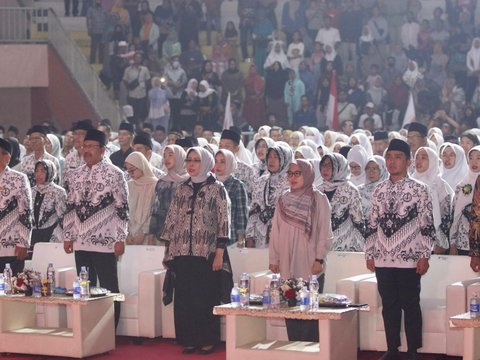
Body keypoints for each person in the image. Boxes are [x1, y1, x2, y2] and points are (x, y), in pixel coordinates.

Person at [365, 139, 435, 360]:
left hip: (409, 259)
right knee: (389, 305)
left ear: (408, 161)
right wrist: (369, 253)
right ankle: (392, 349)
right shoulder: (378, 190)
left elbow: (427, 225)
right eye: (389, 157)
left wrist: (425, 255)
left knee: (410, 304)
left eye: (397, 157)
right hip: (383, 259)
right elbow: (371, 224)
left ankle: (414, 350)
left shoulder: (419, 189)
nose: (392, 162)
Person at [161, 147, 231, 355]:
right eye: (189, 160)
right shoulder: (182, 188)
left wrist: (219, 251)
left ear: (206, 163)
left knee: (205, 297)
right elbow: (172, 218)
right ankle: (189, 339)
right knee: (185, 298)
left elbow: (224, 221)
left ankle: (208, 339)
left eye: (196, 161)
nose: (191, 165)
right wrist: (168, 251)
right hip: (181, 251)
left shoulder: (217, 188)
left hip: (206, 252)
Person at [63, 129, 127, 328]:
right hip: (81, 242)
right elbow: (70, 207)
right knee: (85, 286)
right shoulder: (75, 174)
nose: (86, 150)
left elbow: (123, 208)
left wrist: (120, 237)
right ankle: (88, 330)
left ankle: (110, 331)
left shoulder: (114, 174)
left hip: (105, 241)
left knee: (109, 287)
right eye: (84, 146)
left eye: (91, 146)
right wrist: (68, 235)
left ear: (103, 149)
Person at [269, 159, 333, 341]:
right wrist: (274, 259)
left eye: (298, 173)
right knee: (291, 309)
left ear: (308, 175)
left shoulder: (318, 199)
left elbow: (324, 231)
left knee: (309, 311)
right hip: (288, 264)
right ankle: (294, 350)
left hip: (310, 262)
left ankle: (311, 351)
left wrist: (319, 259)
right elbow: (276, 230)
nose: (293, 178)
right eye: (290, 173)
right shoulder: (283, 199)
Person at [246, 143, 292, 248]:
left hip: (283, 236)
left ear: (285, 159)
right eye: (269, 157)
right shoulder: (262, 180)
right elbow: (254, 209)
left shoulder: (291, 182)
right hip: (260, 236)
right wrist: (249, 236)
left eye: (276, 157)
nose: (271, 160)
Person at [318, 153, 365, 251]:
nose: (325, 169)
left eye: (330, 165)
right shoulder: (318, 190)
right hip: (320, 248)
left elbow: (358, 221)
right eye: (323, 165)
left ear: (339, 167)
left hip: (345, 247)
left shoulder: (350, 190)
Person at [412, 147, 454, 254]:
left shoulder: (440, 185)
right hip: (411, 241)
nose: (419, 161)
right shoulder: (410, 182)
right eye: (417, 157)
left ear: (432, 160)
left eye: (424, 158)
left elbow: (446, 217)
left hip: (435, 242)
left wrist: (441, 244)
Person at [0, 138, 32, 274]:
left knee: (12, 290)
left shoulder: (18, 179)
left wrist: (23, 242)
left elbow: (25, 211)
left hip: (12, 246)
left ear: (7, 157)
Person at [149, 144, 189, 241]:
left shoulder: (190, 181)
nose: (167, 159)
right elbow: (156, 209)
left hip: (185, 235)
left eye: (171, 155)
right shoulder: (162, 182)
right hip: (163, 233)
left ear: (180, 156)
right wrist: (152, 233)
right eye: (165, 156)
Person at [214, 149, 248, 247]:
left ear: (230, 163)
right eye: (216, 161)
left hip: (230, 238)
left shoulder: (237, 185)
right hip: (211, 240)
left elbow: (241, 216)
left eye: (222, 162)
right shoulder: (210, 183)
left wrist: (241, 242)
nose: (218, 165)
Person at [31, 160, 66, 251]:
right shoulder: (31, 191)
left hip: (50, 235)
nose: (39, 174)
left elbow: (62, 218)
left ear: (50, 172)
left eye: (43, 171)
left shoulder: (58, 192)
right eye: (37, 171)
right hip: (32, 235)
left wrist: (57, 237)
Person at [450, 146, 480, 256]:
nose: (474, 162)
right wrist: (452, 243)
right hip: (463, 243)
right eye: (471, 158)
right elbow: (455, 216)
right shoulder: (462, 186)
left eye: (478, 158)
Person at [124, 152, 158, 245]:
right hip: (129, 235)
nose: (130, 174)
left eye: (132, 170)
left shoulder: (155, 185)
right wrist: (127, 233)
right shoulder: (129, 185)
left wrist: (143, 233)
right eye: (128, 171)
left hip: (147, 235)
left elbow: (155, 212)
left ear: (141, 166)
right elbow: (124, 211)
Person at [123, 52, 151, 126]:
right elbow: (125, 80)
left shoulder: (145, 69)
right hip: (132, 94)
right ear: (134, 59)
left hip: (142, 94)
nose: (137, 59)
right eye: (136, 57)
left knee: (141, 112)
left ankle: (140, 125)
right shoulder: (128, 69)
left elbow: (148, 80)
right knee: (132, 113)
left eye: (139, 58)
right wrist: (129, 87)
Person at [86, 0, 107, 64]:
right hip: (94, 31)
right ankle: (92, 62)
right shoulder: (90, 9)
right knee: (94, 48)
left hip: (102, 32)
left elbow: (107, 20)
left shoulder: (104, 9)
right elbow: (88, 20)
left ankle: (101, 62)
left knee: (102, 48)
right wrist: (89, 30)